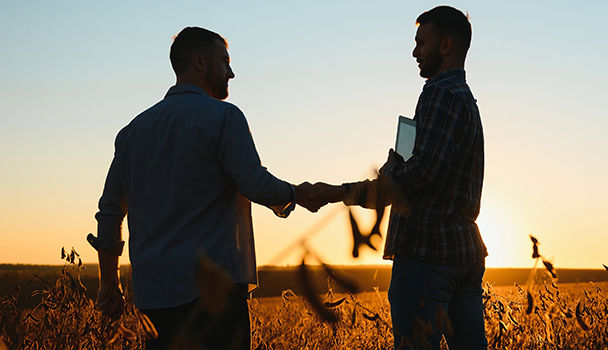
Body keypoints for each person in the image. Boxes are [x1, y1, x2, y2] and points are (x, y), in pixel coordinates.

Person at [91, 27, 329, 350]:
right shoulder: (224, 118)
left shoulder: (132, 133)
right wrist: (297, 194)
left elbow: (109, 214)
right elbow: (255, 183)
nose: (231, 73)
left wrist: (110, 283)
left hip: (154, 301)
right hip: (215, 297)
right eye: (225, 62)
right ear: (199, 62)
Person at [309, 6, 487, 349]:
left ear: (446, 45)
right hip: (464, 252)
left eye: (421, 42)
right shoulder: (465, 98)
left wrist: (389, 171)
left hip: (427, 254)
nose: (415, 52)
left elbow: (423, 172)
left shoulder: (440, 93)